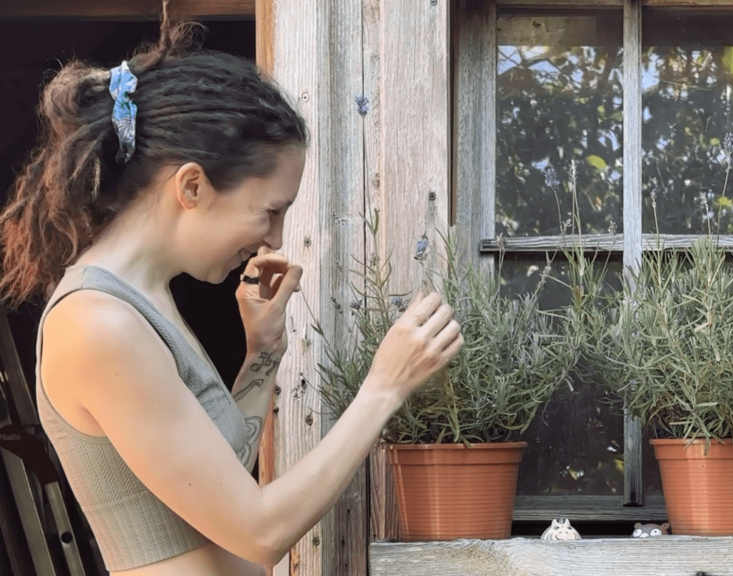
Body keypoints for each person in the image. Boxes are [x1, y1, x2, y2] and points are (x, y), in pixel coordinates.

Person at [0, 9, 463, 576]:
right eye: (270, 211)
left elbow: (223, 475)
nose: (275, 238)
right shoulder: (99, 324)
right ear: (192, 186)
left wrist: (262, 353)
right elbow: (258, 531)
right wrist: (384, 387)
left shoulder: (144, 301)